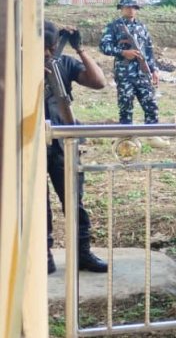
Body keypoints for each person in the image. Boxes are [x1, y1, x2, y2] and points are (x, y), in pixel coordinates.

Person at [44, 21, 109, 274]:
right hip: (30, 145)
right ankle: (43, 255)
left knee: (74, 200)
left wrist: (80, 49)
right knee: (38, 205)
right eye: (45, 49)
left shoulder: (65, 63)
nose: (49, 54)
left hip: (64, 143)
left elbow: (98, 81)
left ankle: (82, 253)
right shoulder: (18, 65)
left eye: (52, 48)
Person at [99, 0, 168, 148]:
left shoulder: (141, 27)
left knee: (150, 103)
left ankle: (152, 134)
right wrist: (123, 52)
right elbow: (104, 46)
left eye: (134, 7)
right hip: (124, 74)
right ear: (121, 9)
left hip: (142, 73)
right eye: (127, 7)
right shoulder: (114, 26)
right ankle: (127, 137)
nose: (131, 10)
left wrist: (154, 69)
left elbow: (148, 50)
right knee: (126, 105)